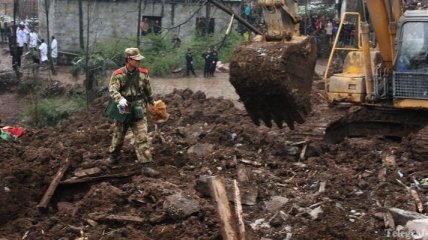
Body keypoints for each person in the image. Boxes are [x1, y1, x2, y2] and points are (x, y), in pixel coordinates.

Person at [107, 48, 159, 177]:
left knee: (142, 136)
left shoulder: (143, 73)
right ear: (128, 60)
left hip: (138, 107)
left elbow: (148, 89)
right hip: (123, 107)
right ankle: (114, 156)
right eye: (136, 60)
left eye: (139, 59)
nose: (138, 62)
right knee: (119, 134)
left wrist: (153, 103)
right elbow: (113, 90)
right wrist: (120, 100)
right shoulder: (118, 74)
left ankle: (145, 164)